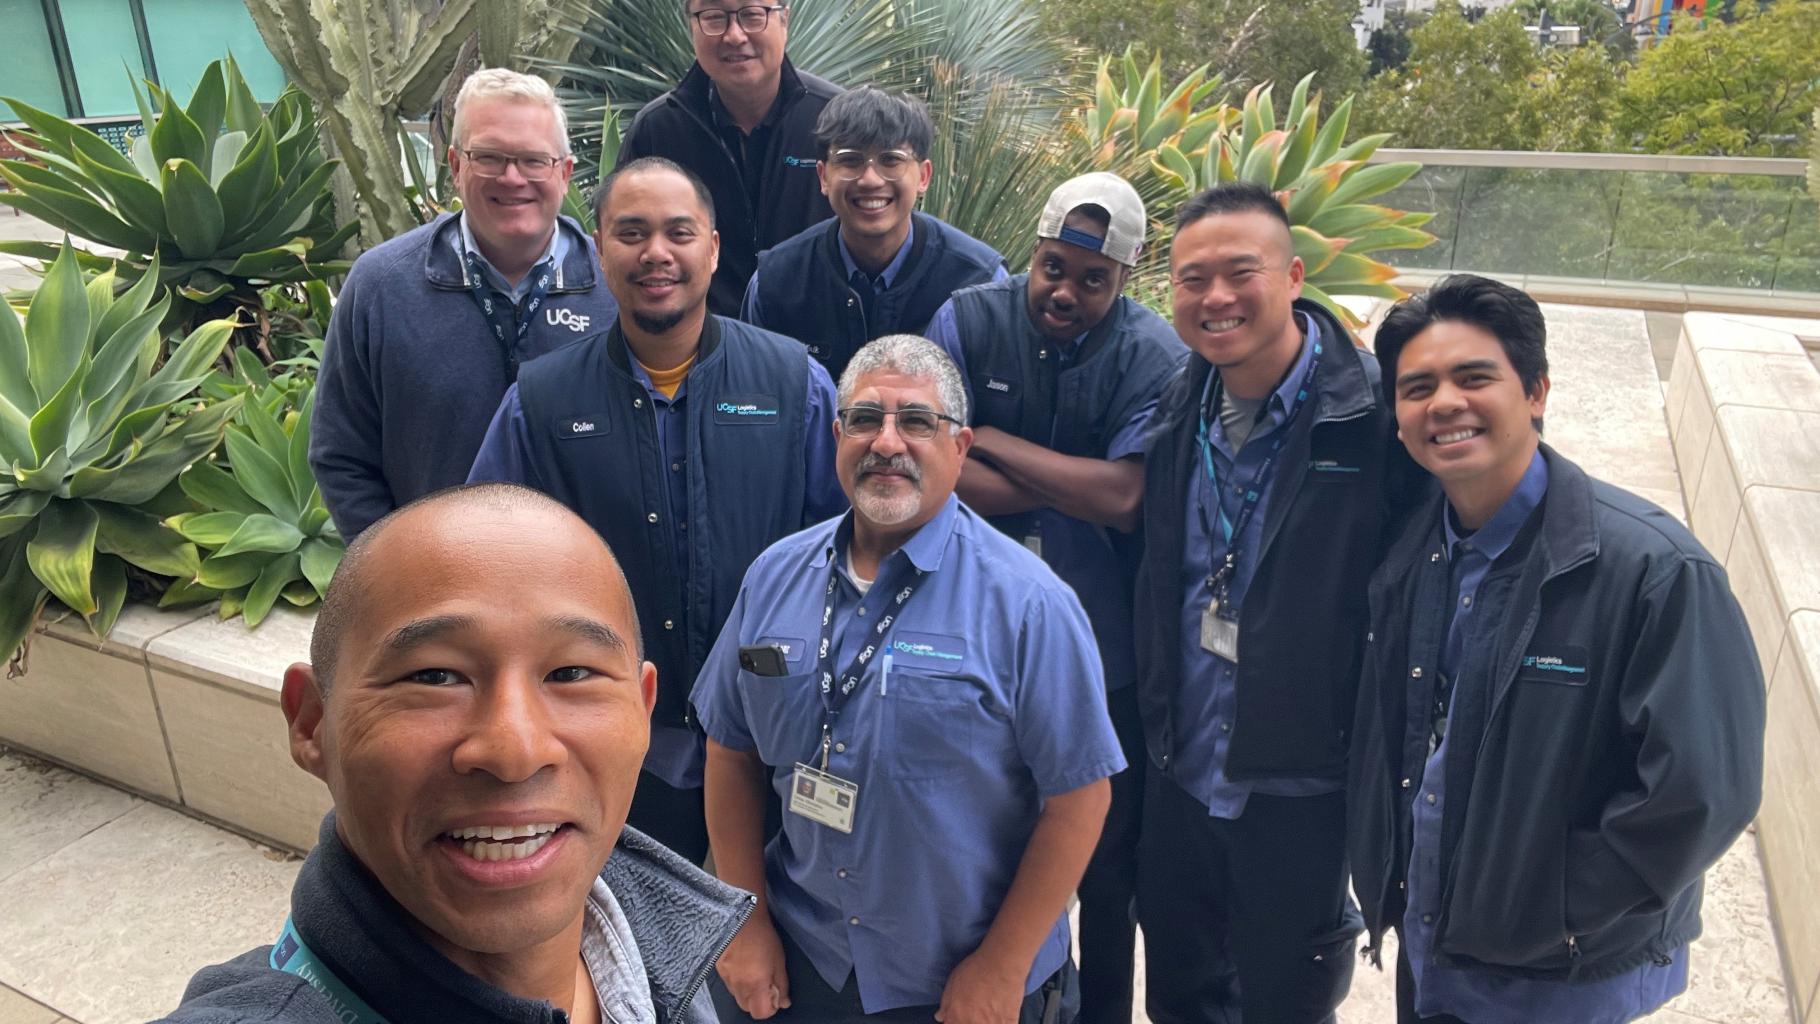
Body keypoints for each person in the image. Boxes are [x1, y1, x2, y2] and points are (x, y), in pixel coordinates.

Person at [154, 484, 754, 1024]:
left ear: (642, 710)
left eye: (572, 672)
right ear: (313, 721)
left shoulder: (667, 941)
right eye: (436, 676)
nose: (515, 751)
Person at [1349, 274, 1766, 1024]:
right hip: (1435, 938)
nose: (1444, 402)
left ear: (1536, 391)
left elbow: (1702, 793)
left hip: (1562, 976)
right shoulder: (1415, 551)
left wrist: (1555, 908)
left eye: (1474, 377)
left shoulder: (1653, 569)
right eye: (1417, 388)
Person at [691, 335, 1124, 1024]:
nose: (886, 442)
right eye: (865, 419)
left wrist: (1002, 968)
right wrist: (742, 922)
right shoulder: (773, 577)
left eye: (917, 422)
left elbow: (1080, 799)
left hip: (958, 985)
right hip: (805, 967)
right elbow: (730, 748)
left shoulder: (1030, 604)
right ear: (837, 436)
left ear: (961, 446)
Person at [468, 156, 845, 866]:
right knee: (630, 955)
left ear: (713, 246)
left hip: (776, 737)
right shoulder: (541, 402)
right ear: (599, 248)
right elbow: (491, 568)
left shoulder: (795, 382)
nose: (657, 254)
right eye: (632, 233)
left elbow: (845, 558)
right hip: (613, 752)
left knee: (772, 962)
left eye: (679, 232)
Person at [1133, 181, 1394, 1024]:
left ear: (1293, 275)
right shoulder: (1181, 404)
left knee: (1286, 1001)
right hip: (1182, 777)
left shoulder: (1375, 418)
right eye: (1190, 279)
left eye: (1239, 272)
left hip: (1301, 789)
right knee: (1178, 996)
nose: (1215, 298)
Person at [926, 171, 1184, 1024]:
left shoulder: (1155, 354)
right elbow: (934, 472)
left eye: (1092, 279)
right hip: (965, 640)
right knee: (979, 852)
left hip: (1101, 649)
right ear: (1027, 256)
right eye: (1052, 268)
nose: (1066, 292)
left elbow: (1125, 498)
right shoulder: (966, 320)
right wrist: (1068, 481)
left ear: (1126, 278)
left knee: (1107, 872)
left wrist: (992, 439)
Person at [311, 69, 618, 540]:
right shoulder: (381, 287)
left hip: (580, 586)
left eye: (534, 160)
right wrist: (398, 568)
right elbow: (341, 453)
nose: (513, 178)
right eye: (490, 157)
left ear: (565, 172)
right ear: (455, 165)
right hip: (431, 582)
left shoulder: (615, 290)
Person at [743, 86, 1005, 380]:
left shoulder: (979, 281)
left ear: (924, 176)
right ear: (823, 176)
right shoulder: (776, 281)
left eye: (891, 160)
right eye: (850, 160)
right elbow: (756, 396)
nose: (870, 179)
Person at [619, 0, 839, 317]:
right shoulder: (658, 129)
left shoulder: (833, 119)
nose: (734, 35)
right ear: (691, 25)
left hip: (818, 341)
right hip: (699, 347)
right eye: (713, 17)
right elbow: (626, 238)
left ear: (784, 19)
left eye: (752, 15)